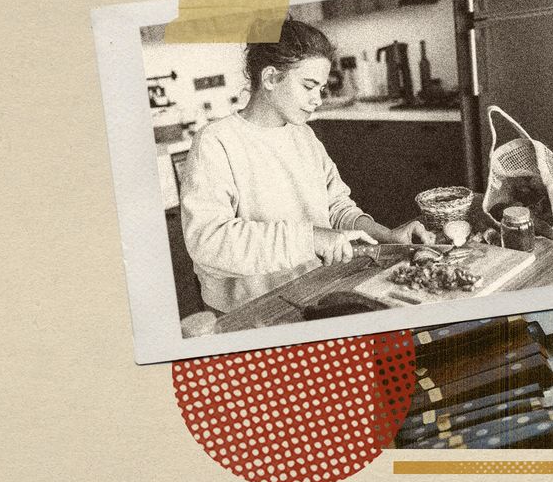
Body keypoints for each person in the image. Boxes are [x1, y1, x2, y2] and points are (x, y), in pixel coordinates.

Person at [179, 18, 434, 314]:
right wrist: (310, 238)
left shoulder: (304, 135)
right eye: (309, 86)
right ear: (271, 78)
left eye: (322, 88)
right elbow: (208, 242)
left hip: (314, 290)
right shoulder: (216, 142)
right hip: (249, 310)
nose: (317, 100)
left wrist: (385, 235)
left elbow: (336, 207)